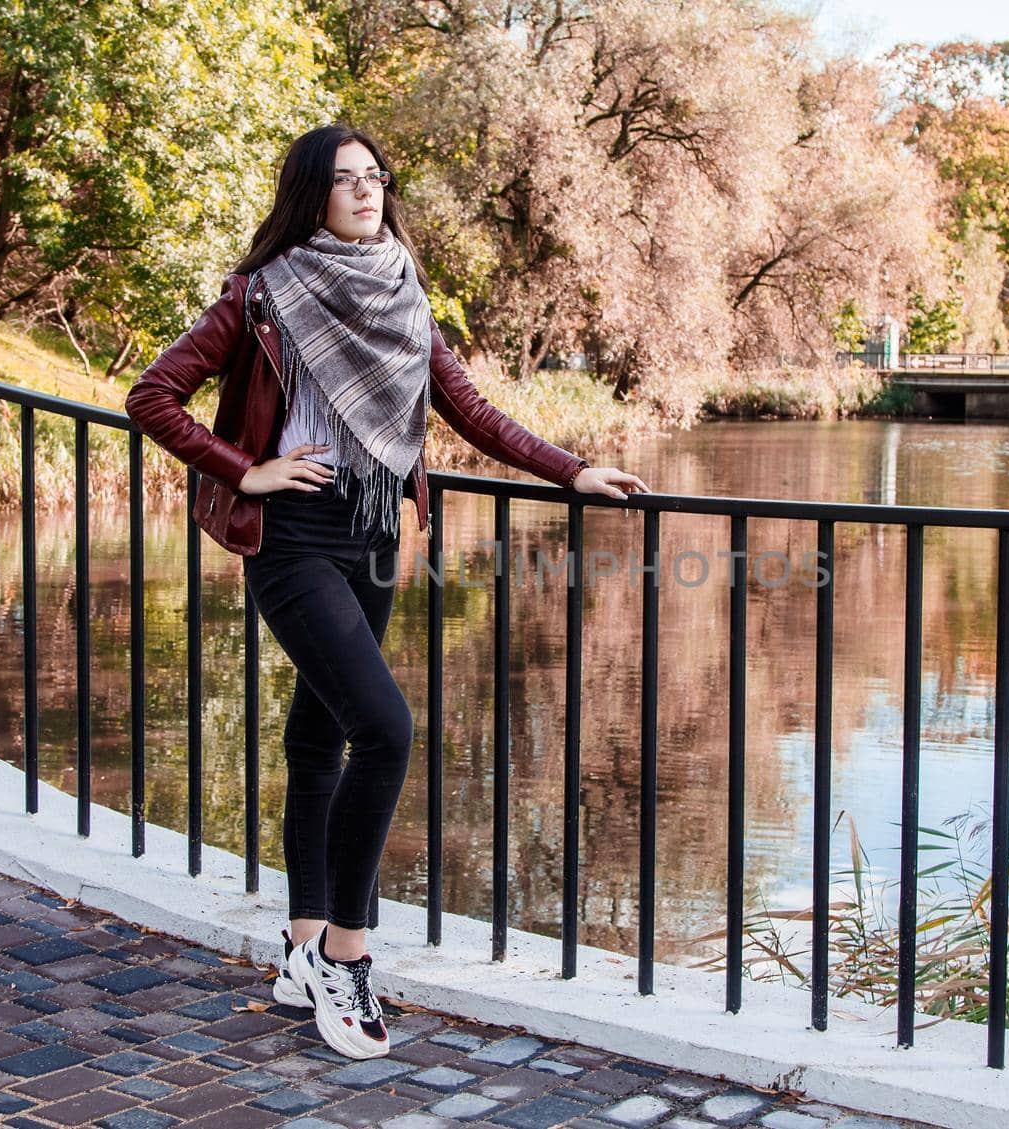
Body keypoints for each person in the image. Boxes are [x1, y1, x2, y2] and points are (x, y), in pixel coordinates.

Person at [124, 124, 650, 1060]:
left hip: (372, 537)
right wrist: (244, 470)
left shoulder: (404, 290)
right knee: (389, 727)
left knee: (321, 734)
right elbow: (152, 394)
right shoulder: (262, 295)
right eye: (344, 181)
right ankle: (347, 952)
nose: (366, 193)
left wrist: (569, 471)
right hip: (291, 541)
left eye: (375, 178)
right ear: (310, 196)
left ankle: (298, 941)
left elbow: (468, 407)